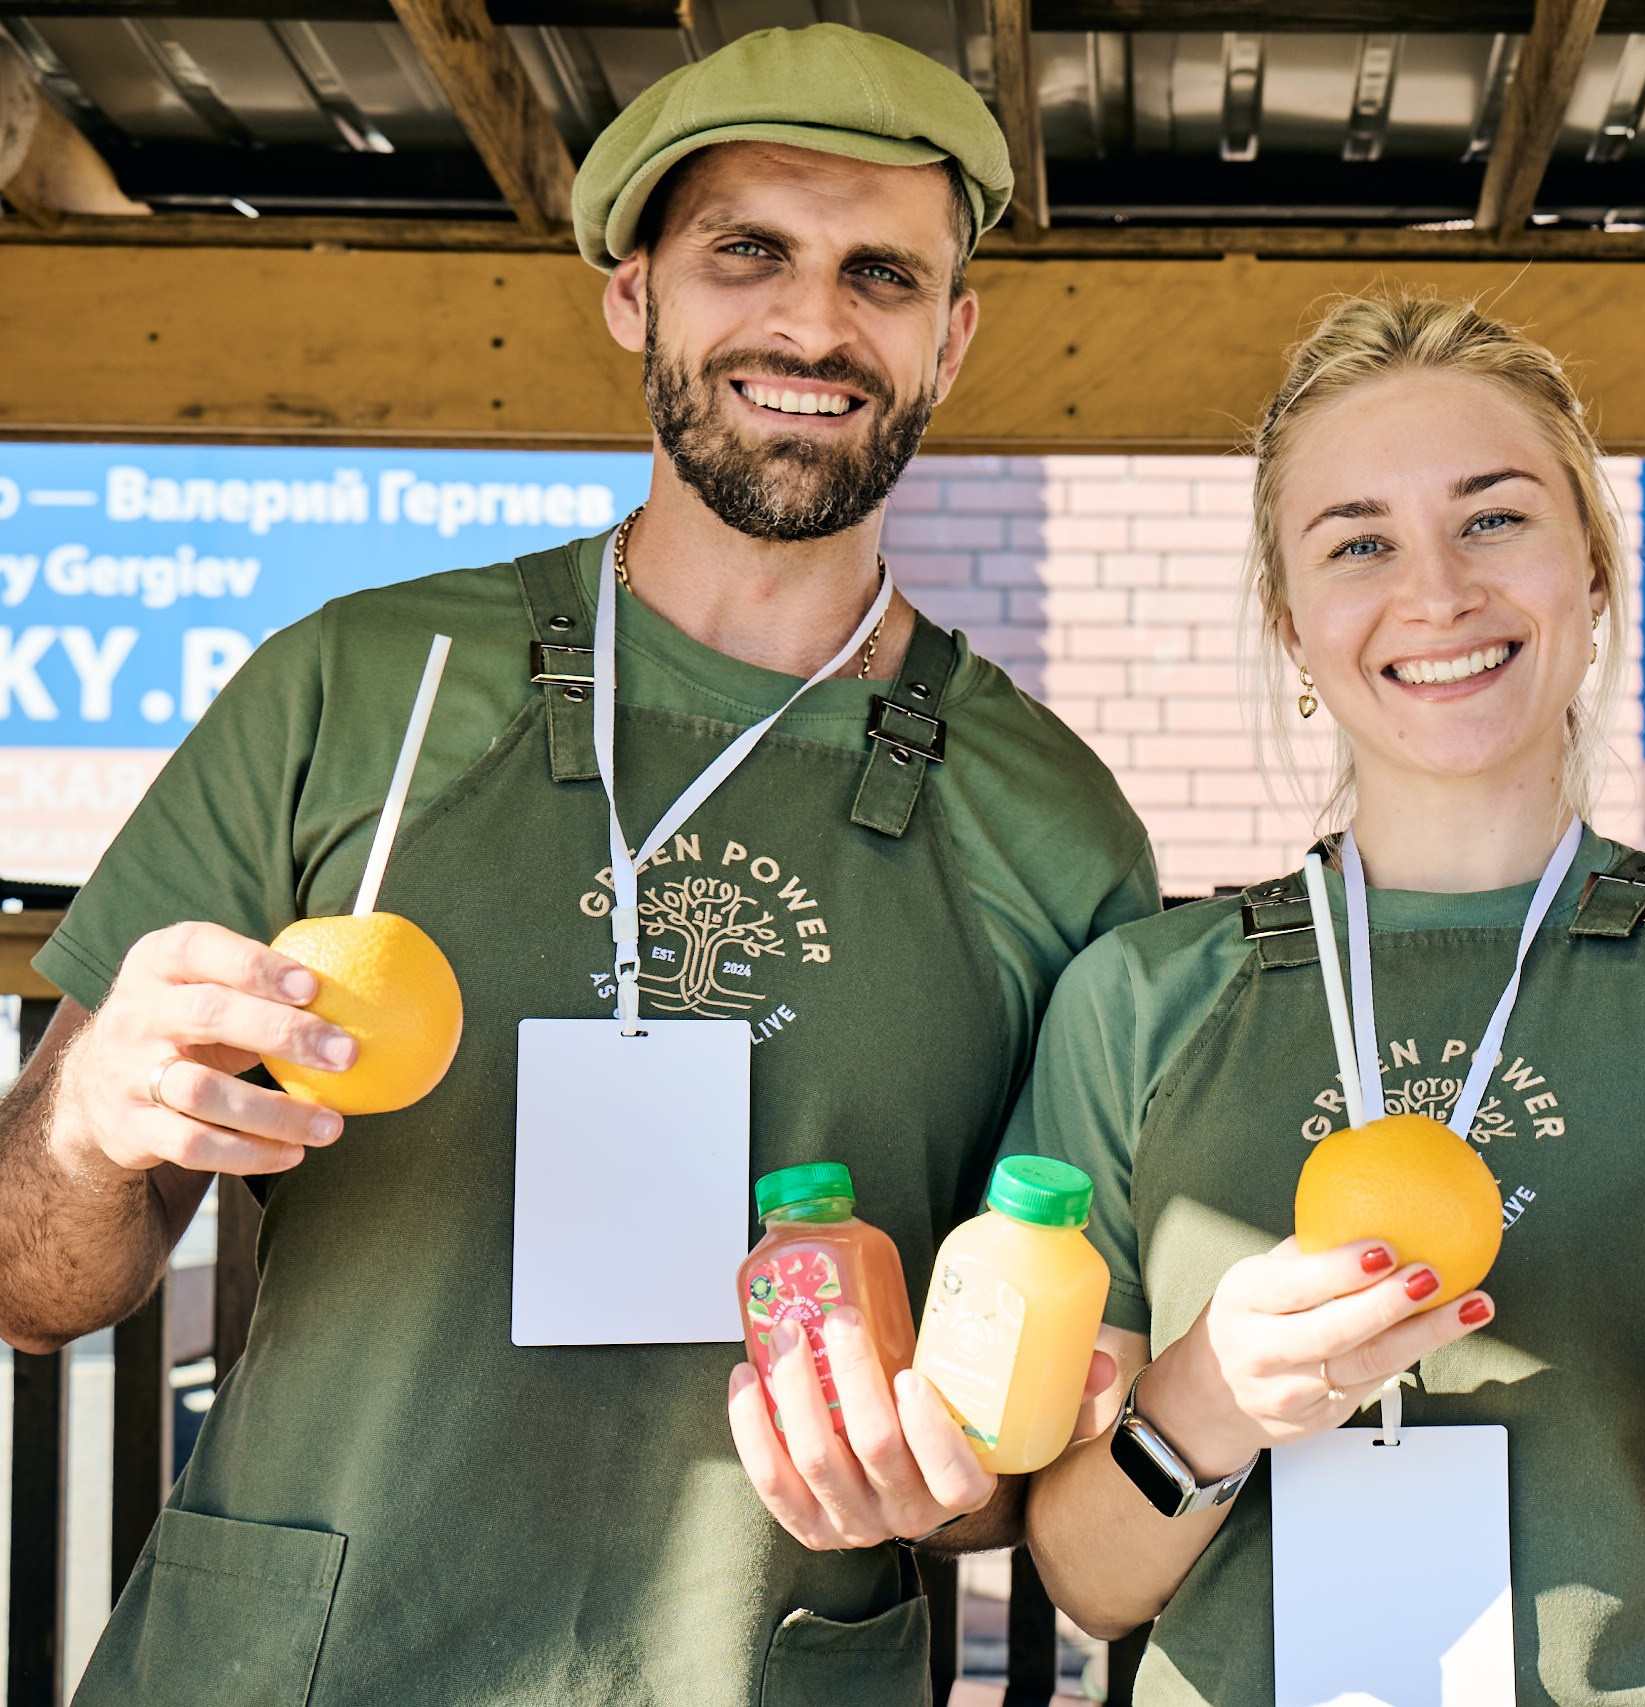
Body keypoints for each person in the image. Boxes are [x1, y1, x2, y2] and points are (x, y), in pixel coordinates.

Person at [0, 26, 1152, 1705]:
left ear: (952, 336)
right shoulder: (356, 688)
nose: (814, 324)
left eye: (881, 274)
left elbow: (1044, 1448)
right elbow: (35, 1282)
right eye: (746, 250)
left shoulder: (1055, 824)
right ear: (635, 295)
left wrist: (970, 1477)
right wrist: (94, 1117)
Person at [1015, 291, 1645, 1704]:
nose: (1435, 590)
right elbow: (1087, 1577)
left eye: (1494, 518)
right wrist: (1205, 1400)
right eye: (1360, 542)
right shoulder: (1135, 1001)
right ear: (1292, 624)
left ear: (1594, 568)